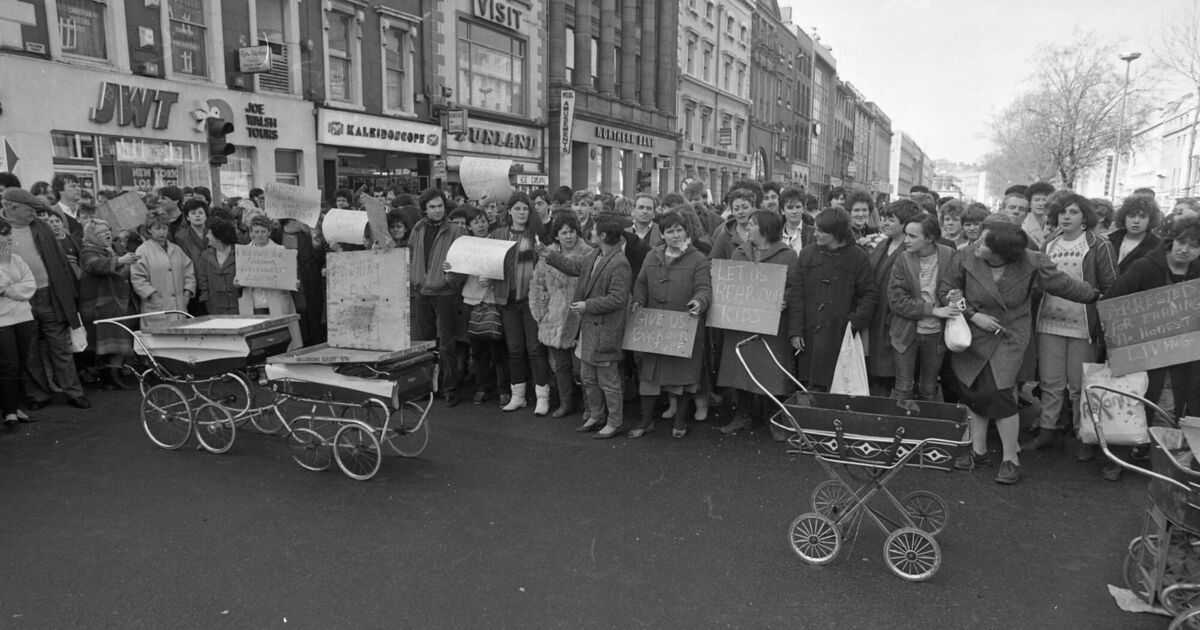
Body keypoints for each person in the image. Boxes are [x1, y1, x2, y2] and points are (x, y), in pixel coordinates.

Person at [942, 219, 1100, 485]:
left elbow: (1063, 284)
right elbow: (945, 289)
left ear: (1002, 253)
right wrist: (972, 314)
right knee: (973, 390)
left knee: (1000, 392)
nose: (978, 244)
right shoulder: (965, 256)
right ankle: (977, 451)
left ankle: (1009, 460)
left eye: (985, 243)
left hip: (1009, 333)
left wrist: (1096, 295)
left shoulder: (1032, 261)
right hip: (971, 333)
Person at [1104, 217, 1200, 479]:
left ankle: (1161, 462)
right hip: (1139, 350)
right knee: (1132, 401)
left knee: (1167, 407)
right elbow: (1114, 299)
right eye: (1181, 242)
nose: (1185, 249)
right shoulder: (1145, 266)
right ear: (1172, 240)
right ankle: (1119, 458)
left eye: (1194, 246)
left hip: (1180, 356)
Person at [1022, 195, 1117, 456]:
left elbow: (1110, 287)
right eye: (1062, 212)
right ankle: (1046, 431)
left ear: (1084, 216)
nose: (1066, 217)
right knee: (1050, 383)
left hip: (1084, 325)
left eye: (1073, 212)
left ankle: (1082, 435)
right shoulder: (1049, 242)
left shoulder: (1100, 245)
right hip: (1049, 321)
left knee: (1079, 386)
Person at [540, 218, 631, 438]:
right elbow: (574, 267)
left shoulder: (619, 263)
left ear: (603, 236)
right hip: (590, 329)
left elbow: (618, 298)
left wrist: (587, 305)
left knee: (608, 381)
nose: (589, 234)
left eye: (594, 231)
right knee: (589, 377)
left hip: (605, 330)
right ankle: (597, 415)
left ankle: (615, 421)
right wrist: (549, 255)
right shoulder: (596, 255)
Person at [1, 188, 90, 410]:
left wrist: (71, 293)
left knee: (60, 345)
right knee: (30, 349)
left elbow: (61, 261)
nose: (35, 213)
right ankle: (38, 395)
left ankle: (74, 392)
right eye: (30, 209)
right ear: (12, 207)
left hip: (50, 293)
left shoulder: (41, 227)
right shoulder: (1, 229)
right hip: (16, 300)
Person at [629, 211, 711, 439]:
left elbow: (704, 289)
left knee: (682, 376)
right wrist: (637, 301)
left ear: (686, 231)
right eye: (669, 231)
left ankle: (680, 421)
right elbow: (641, 283)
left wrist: (698, 302)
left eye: (679, 230)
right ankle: (646, 421)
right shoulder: (652, 256)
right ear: (662, 234)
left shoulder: (698, 259)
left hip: (683, 325)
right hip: (654, 326)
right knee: (649, 377)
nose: (675, 235)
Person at [716, 210, 795, 439]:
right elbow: (730, 282)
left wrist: (785, 299)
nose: (747, 228)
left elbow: (796, 286)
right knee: (740, 369)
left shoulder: (787, 255)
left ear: (766, 229)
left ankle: (774, 418)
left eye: (752, 224)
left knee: (771, 371)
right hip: (742, 323)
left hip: (771, 326)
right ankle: (743, 415)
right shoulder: (740, 252)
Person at [787, 208, 878, 391]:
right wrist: (796, 331)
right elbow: (797, 294)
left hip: (842, 333)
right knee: (810, 386)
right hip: (810, 334)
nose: (815, 234)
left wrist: (855, 322)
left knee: (840, 385)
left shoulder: (858, 257)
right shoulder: (807, 254)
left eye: (821, 231)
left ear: (837, 233)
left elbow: (868, 294)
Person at [490, 192, 552, 414]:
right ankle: (518, 396)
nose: (522, 212)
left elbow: (547, 266)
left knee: (535, 349)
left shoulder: (537, 235)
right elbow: (488, 261)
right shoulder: (498, 234)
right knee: (514, 350)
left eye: (525, 209)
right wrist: (485, 275)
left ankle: (542, 397)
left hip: (531, 300)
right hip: (507, 298)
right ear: (509, 211)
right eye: (517, 208)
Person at [530, 213, 594, 419]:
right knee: (561, 365)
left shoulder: (589, 253)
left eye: (572, 231)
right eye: (564, 232)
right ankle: (566, 403)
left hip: (580, 318)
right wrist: (542, 314)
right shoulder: (546, 255)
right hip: (554, 317)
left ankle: (589, 406)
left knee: (581, 367)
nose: (569, 236)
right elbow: (538, 286)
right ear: (556, 235)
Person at [887, 214, 958, 401]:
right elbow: (896, 300)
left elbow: (955, 286)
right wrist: (932, 310)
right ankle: (901, 426)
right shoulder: (903, 258)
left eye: (912, 236)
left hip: (936, 333)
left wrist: (954, 296)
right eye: (906, 235)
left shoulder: (948, 254)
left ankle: (926, 427)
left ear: (930, 238)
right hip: (906, 331)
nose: (906, 240)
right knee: (903, 386)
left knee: (929, 386)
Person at [410, 188, 467, 407]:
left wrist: (449, 280)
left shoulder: (456, 230)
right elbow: (412, 253)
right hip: (422, 291)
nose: (437, 210)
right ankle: (427, 387)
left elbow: (464, 261)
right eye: (432, 206)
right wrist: (415, 276)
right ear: (424, 209)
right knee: (425, 343)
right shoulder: (418, 228)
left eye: (440, 205)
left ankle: (450, 388)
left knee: (447, 344)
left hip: (444, 294)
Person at [866, 199, 924, 396]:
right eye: (884, 219)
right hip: (876, 318)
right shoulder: (883, 244)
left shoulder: (913, 251)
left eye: (891, 220)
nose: (885, 223)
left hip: (896, 320)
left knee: (892, 375)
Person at [457, 207, 511, 407]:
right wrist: (449, 268)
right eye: (476, 222)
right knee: (477, 351)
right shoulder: (463, 246)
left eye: (483, 221)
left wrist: (493, 277)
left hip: (493, 302)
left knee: (498, 350)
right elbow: (457, 272)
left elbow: (506, 269)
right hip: (471, 302)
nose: (480, 225)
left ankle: (504, 389)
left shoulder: (497, 243)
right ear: (469, 226)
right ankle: (482, 388)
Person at [78, 219, 138, 390]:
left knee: (118, 339)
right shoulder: (88, 251)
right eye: (100, 232)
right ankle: (108, 375)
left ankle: (114, 374)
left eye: (107, 230)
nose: (106, 234)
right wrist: (120, 261)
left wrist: (129, 259)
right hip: (100, 304)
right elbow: (94, 265)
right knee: (105, 341)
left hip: (119, 301)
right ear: (90, 235)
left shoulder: (117, 249)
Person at [236, 214, 303, 350]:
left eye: (263, 231)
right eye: (256, 231)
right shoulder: (243, 252)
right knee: (257, 341)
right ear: (251, 233)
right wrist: (238, 282)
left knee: (279, 339)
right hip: (253, 303)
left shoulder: (280, 251)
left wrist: (293, 283)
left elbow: (289, 275)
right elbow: (239, 277)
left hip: (277, 301)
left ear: (269, 232)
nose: (259, 235)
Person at [0, 217, 37, 428]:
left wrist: (7, 290)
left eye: (9, 233)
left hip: (24, 317)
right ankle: (9, 412)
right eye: (4, 234)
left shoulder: (17, 259)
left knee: (22, 363)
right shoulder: (8, 261)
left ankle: (15, 407)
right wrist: (14, 287)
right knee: (9, 366)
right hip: (3, 321)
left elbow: (30, 286)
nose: (9, 238)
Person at [131, 208, 195, 326]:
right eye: (157, 228)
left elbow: (189, 272)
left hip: (179, 309)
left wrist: (187, 294)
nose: (162, 232)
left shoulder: (176, 249)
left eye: (164, 228)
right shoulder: (142, 250)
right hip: (156, 309)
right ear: (150, 230)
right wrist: (153, 296)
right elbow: (138, 278)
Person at [1108, 194, 1163, 276]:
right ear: (1124, 217)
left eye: (1143, 217)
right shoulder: (1110, 239)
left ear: (1150, 219)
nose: (1136, 221)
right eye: (1131, 216)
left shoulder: (1157, 246)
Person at [196, 217, 240, 316]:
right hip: (215, 308)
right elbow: (203, 282)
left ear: (219, 237)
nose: (207, 236)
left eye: (209, 233)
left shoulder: (240, 253)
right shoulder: (205, 256)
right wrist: (207, 301)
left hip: (238, 306)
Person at [711, 188, 757, 260]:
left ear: (753, 207)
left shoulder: (764, 234)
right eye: (736, 209)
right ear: (732, 211)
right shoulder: (724, 237)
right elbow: (713, 263)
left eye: (745, 207)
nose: (740, 212)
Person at [1022, 182, 1056, 249]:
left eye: (1044, 200)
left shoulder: (1054, 223)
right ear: (1029, 203)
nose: (1041, 204)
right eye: (1037, 200)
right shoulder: (1023, 223)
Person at [779, 187, 814, 253]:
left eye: (798, 207)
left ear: (803, 209)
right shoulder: (775, 234)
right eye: (790, 208)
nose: (794, 211)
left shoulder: (813, 234)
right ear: (782, 211)